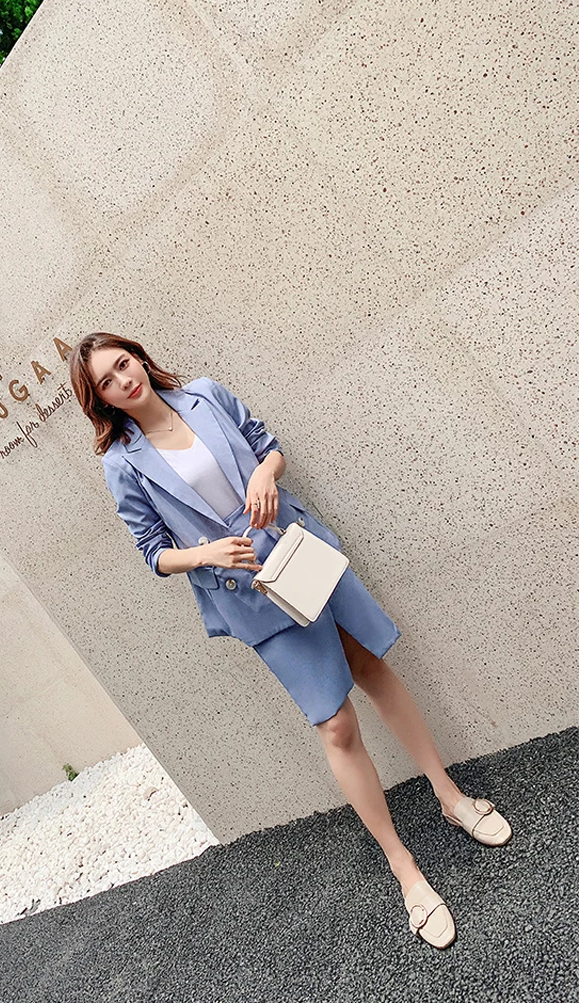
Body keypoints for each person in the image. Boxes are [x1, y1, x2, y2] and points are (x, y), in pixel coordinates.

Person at [69, 331, 512, 950]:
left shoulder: (204, 395)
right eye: (107, 381)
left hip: (298, 546)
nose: (124, 380)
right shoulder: (121, 463)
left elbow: (267, 447)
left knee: (372, 666)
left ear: (139, 357)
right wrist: (204, 554)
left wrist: (264, 475)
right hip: (250, 587)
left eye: (123, 364)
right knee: (335, 724)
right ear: (101, 399)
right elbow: (153, 552)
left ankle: (450, 795)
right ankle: (403, 867)